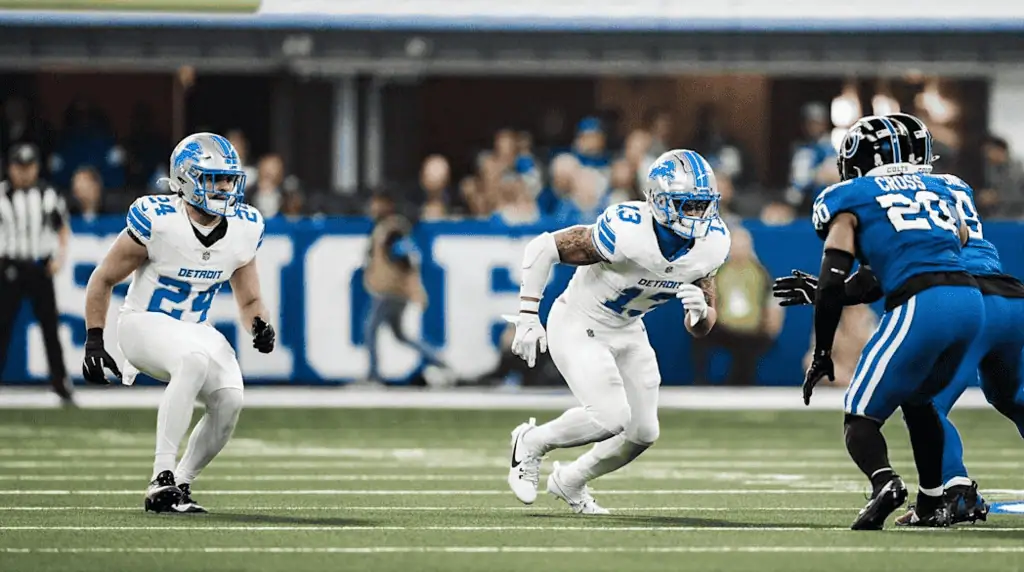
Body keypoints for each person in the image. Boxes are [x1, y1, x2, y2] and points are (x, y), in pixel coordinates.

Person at [776, 112, 1024, 527]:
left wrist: (827, 305)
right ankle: (940, 495)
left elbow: (880, 270)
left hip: (954, 296)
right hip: (1009, 296)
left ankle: (952, 490)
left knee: (925, 402)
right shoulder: (949, 186)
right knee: (1015, 399)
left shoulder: (858, 194)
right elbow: (955, 239)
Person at [505, 149, 730, 514]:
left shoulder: (712, 244)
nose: (696, 215)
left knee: (643, 433)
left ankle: (570, 481)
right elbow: (543, 247)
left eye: (701, 205)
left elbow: (701, 328)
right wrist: (528, 316)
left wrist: (700, 313)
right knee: (610, 418)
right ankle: (530, 442)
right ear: (658, 200)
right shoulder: (627, 230)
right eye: (686, 205)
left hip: (627, 329)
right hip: (579, 320)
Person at [81, 133, 276, 514]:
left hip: (195, 329)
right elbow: (103, 278)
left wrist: (259, 325)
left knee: (230, 399)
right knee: (193, 360)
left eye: (227, 178)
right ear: (186, 179)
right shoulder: (159, 220)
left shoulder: (244, 226)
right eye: (212, 178)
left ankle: (181, 483)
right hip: (142, 324)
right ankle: (161, 476)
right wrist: (94, 339)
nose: (223, 187)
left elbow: (249, 298)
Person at [0, 143, 73, 404]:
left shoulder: (48, 195)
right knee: (2, 326)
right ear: (10, 167)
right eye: (19, 167)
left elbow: (61, 227)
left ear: (36, 168)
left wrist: (60, 257)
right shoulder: (2, 195)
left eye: (29, 167)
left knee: (50, 328)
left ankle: (60, 383)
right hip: (10, 266)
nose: (24, 173)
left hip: (40, 266)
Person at [362, 190, 445, 385]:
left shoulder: (392, 229)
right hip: (391, 292)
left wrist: (414, 288)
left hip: (391, 292)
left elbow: (406, 257)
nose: (373, 207)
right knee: (401, 335)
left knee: (370, 329)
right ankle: (439, 361)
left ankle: (373, 375)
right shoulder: (386, 227)